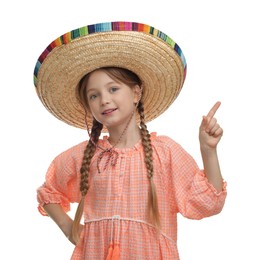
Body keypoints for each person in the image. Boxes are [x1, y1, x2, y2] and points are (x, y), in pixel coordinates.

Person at [34, 21, 227, 259]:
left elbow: (209, 203)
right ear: (89, 105)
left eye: (113, 89)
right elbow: (49, 191)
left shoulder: (164, 152)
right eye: (94, 95)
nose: (104, 99)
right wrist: (69, 228)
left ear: (136, 93)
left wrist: (208, 151)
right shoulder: (85, 155)